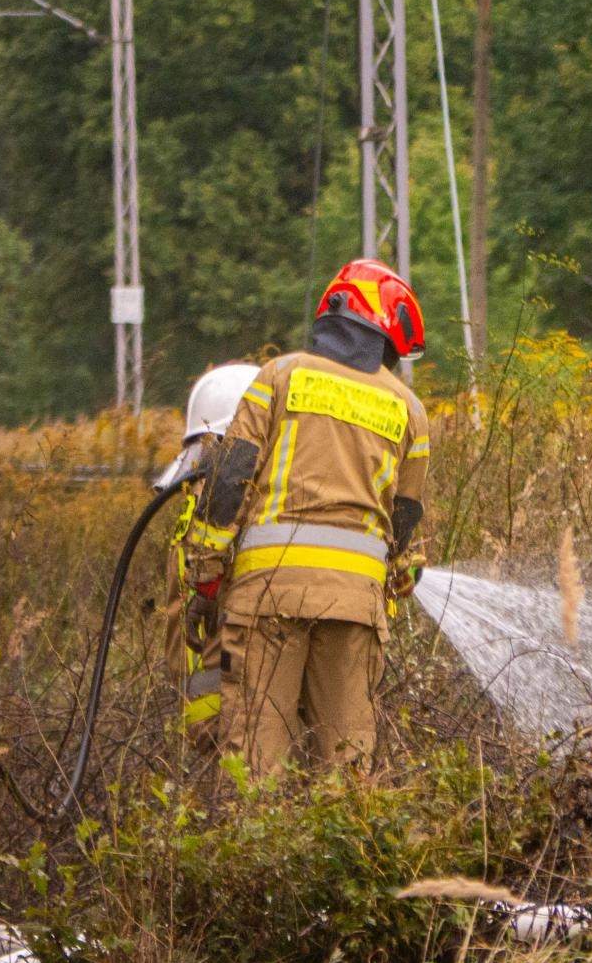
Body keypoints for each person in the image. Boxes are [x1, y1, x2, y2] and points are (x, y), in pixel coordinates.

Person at [183, 258, 429, 773]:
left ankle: (255, 854)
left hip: (269, 596)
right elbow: (404, 526)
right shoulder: (410, 410)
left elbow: (229, 482)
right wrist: (403, 570)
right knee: (346, 769)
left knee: (255, 766)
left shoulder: (279, 375)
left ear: (336, 312)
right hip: (354, 611)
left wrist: (204, 576)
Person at [155, 362, 261, 739]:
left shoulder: (220, 500)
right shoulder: (210, 499)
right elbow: (183, 598)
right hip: (221, 687)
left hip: (228, 683)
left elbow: (180, 600)